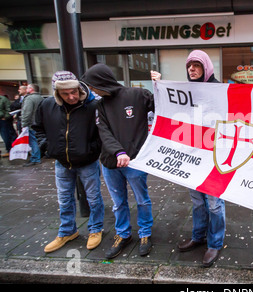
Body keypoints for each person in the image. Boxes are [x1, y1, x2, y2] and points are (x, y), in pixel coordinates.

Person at [151, 50, 226, 267]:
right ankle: (199, 236)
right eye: (189, 66)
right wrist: (159, 87)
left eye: (196, 65)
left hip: (213, 158)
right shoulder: (185, 91)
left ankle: (215, 243)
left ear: (206, 67)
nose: (192, 69)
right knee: (197, 202)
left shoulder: (220, 90)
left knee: (214, 204)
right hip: (191, 157)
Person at [82, 63, 155, 259]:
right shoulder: (100, 105)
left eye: (92, 85)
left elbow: (164, 107)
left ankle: (145, 233)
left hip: (135, 162)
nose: (92, 90)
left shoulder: (138, 95)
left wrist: (160, 85)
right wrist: (118, 152)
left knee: (142, 200)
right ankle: (123, 234)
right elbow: (103, 132)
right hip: (110, 162)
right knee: (118, 202)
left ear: (101, 82)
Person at [34, 71, 104, 253]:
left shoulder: (92, 106)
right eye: (65, 94)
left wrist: (92, 150)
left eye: (74, 92)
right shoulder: (47, 105)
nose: (71, 97)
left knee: (94, 198)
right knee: (64, 200)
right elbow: (38, 128)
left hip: (87, 161)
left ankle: (96, 229)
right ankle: (67, 231)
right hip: (62, 162)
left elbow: (102, 132)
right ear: (57, 93)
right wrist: (47, 147)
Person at [21, 83, 43, 166]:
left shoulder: (29, 99)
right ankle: (37, 156)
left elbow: (27, 112)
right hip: (38, 123)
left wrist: (24, 124)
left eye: (27, 88)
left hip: (31, 124)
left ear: (31, 89)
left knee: (33, 141)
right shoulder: (41, 98)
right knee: (36, 140)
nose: (26, 90)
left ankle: (35, 158)